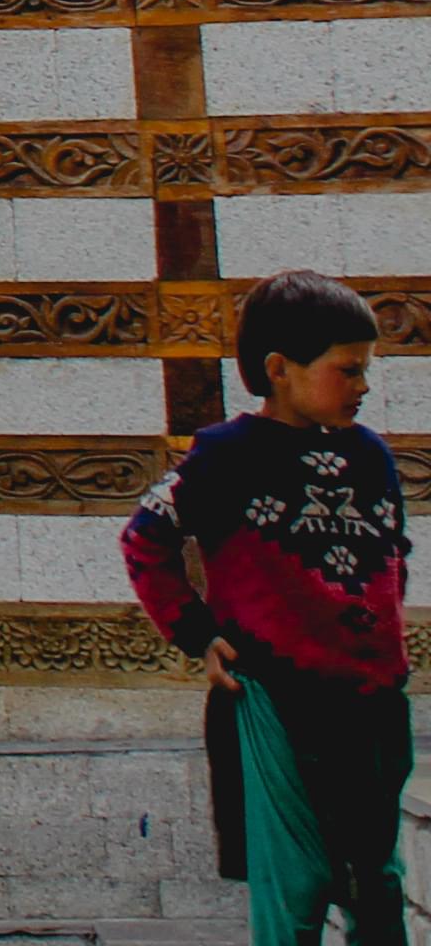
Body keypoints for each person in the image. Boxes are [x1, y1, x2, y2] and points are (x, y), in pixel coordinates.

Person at [129, 268, 409, 945]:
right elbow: (145, 539)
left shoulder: (371, 457)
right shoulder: (225, 456)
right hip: (278, 698)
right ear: (279, 368)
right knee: (297, 887)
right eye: (348, 370)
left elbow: (392, 559)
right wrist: (198, 633)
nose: (363, 387)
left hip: (372, 703)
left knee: (378, 885)